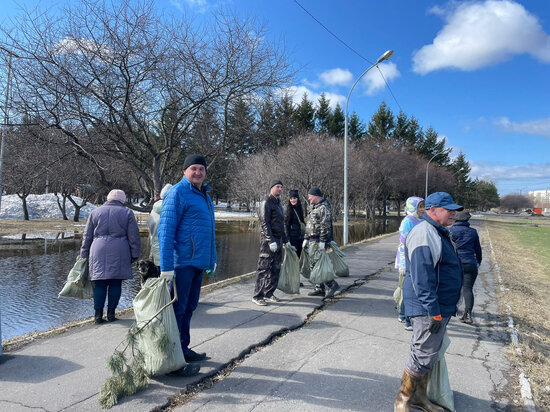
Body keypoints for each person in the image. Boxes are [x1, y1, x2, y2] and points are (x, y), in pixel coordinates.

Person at [394, 192, 463, 412]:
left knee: (429, 353)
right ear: (431, 210)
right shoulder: (424, 233)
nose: (453, 213)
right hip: (428, 308)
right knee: (422, 353)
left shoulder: (438, 231)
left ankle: (419, 397)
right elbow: (423, 279)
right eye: (448, 209)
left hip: (439, 306)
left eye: (454, 210)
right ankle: (402, 400)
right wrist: (433, 311)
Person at [158, 154, 217, 371]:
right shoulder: (177, 193)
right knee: (178, 310)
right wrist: (166, 268)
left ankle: (183, 349)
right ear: (185, 171)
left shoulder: (204, 195)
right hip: (181, 263)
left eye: (201, 169)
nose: (198, 172)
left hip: (197, 263)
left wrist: (212, 259)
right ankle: (172, 360)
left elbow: (209, 232)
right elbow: (165, 232)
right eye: (194, 168)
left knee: (190, 307)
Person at [80, 189, 141, 324]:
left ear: (108, 198)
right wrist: (135, 253)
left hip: (97, 249)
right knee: (115, 283)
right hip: (120, 249)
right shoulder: (127, 213)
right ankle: (111, 314)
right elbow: (134, 236)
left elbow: (87, 235)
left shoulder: (95, 212)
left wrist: (84, 253)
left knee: (99, 283)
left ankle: (97, 315)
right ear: (122, 200)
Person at [252, 179, 291, 306]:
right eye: (278, 187)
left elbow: (281, 224)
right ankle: (258, 295)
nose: (280, 189)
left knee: (276, 268)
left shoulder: (279, 204)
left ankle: (269, 292)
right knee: (264, 268)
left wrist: (286, 241)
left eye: (281, 187)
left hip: (278, 240)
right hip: (268, 241)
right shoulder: (266, 202)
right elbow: (264, 223)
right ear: (271, 188)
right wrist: (270, 241)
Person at [394, 197, 425, 331]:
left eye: (423, 206)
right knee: (408, 291)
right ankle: (407, 318)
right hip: (406, 261)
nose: (422, 209)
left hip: (417, 259)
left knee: (412, 290)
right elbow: (402, 244)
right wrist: (402, 264)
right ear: (412, 207)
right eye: (420, 206)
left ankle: (403, 314)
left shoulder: (422, 220)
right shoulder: (408, 221)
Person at [303, 186, 339, 299]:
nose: (309, 199)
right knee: (314, 265)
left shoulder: (323, 208)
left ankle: (332, 284)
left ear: (316, 196)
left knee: (319, 265)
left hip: (318, 240)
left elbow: (325, 225)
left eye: (310, 196)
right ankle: (319, 288)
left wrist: (323, 241)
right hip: (312, 240)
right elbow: (310, 225)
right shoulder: (314, 207)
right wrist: (306, 237)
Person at [449, 210, 482, 324]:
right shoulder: (473, 232)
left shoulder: (451, 231)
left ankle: (451, 309)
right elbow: (478, 249)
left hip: (455, 264)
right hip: (470, 264)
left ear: (456, 219)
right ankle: (467, 314)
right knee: (468, 289)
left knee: (453, 287)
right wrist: (478, 262)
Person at [147, 183, 173, 272]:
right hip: (169, 254)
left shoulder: (153, 211)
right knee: (170, 282)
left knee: (160, 281)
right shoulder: (172, 211)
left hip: (155, 250)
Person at [284, 189, 306, 257]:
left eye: (294, 198)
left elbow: (302, 222)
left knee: (300, 257)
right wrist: (287, 240)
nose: (292, 200)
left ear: (297, 198)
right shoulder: (288, 210)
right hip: (292, 238)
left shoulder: (300, 209)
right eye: (291, 198)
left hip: (300, 238)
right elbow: (286, 225)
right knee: (293, 257)